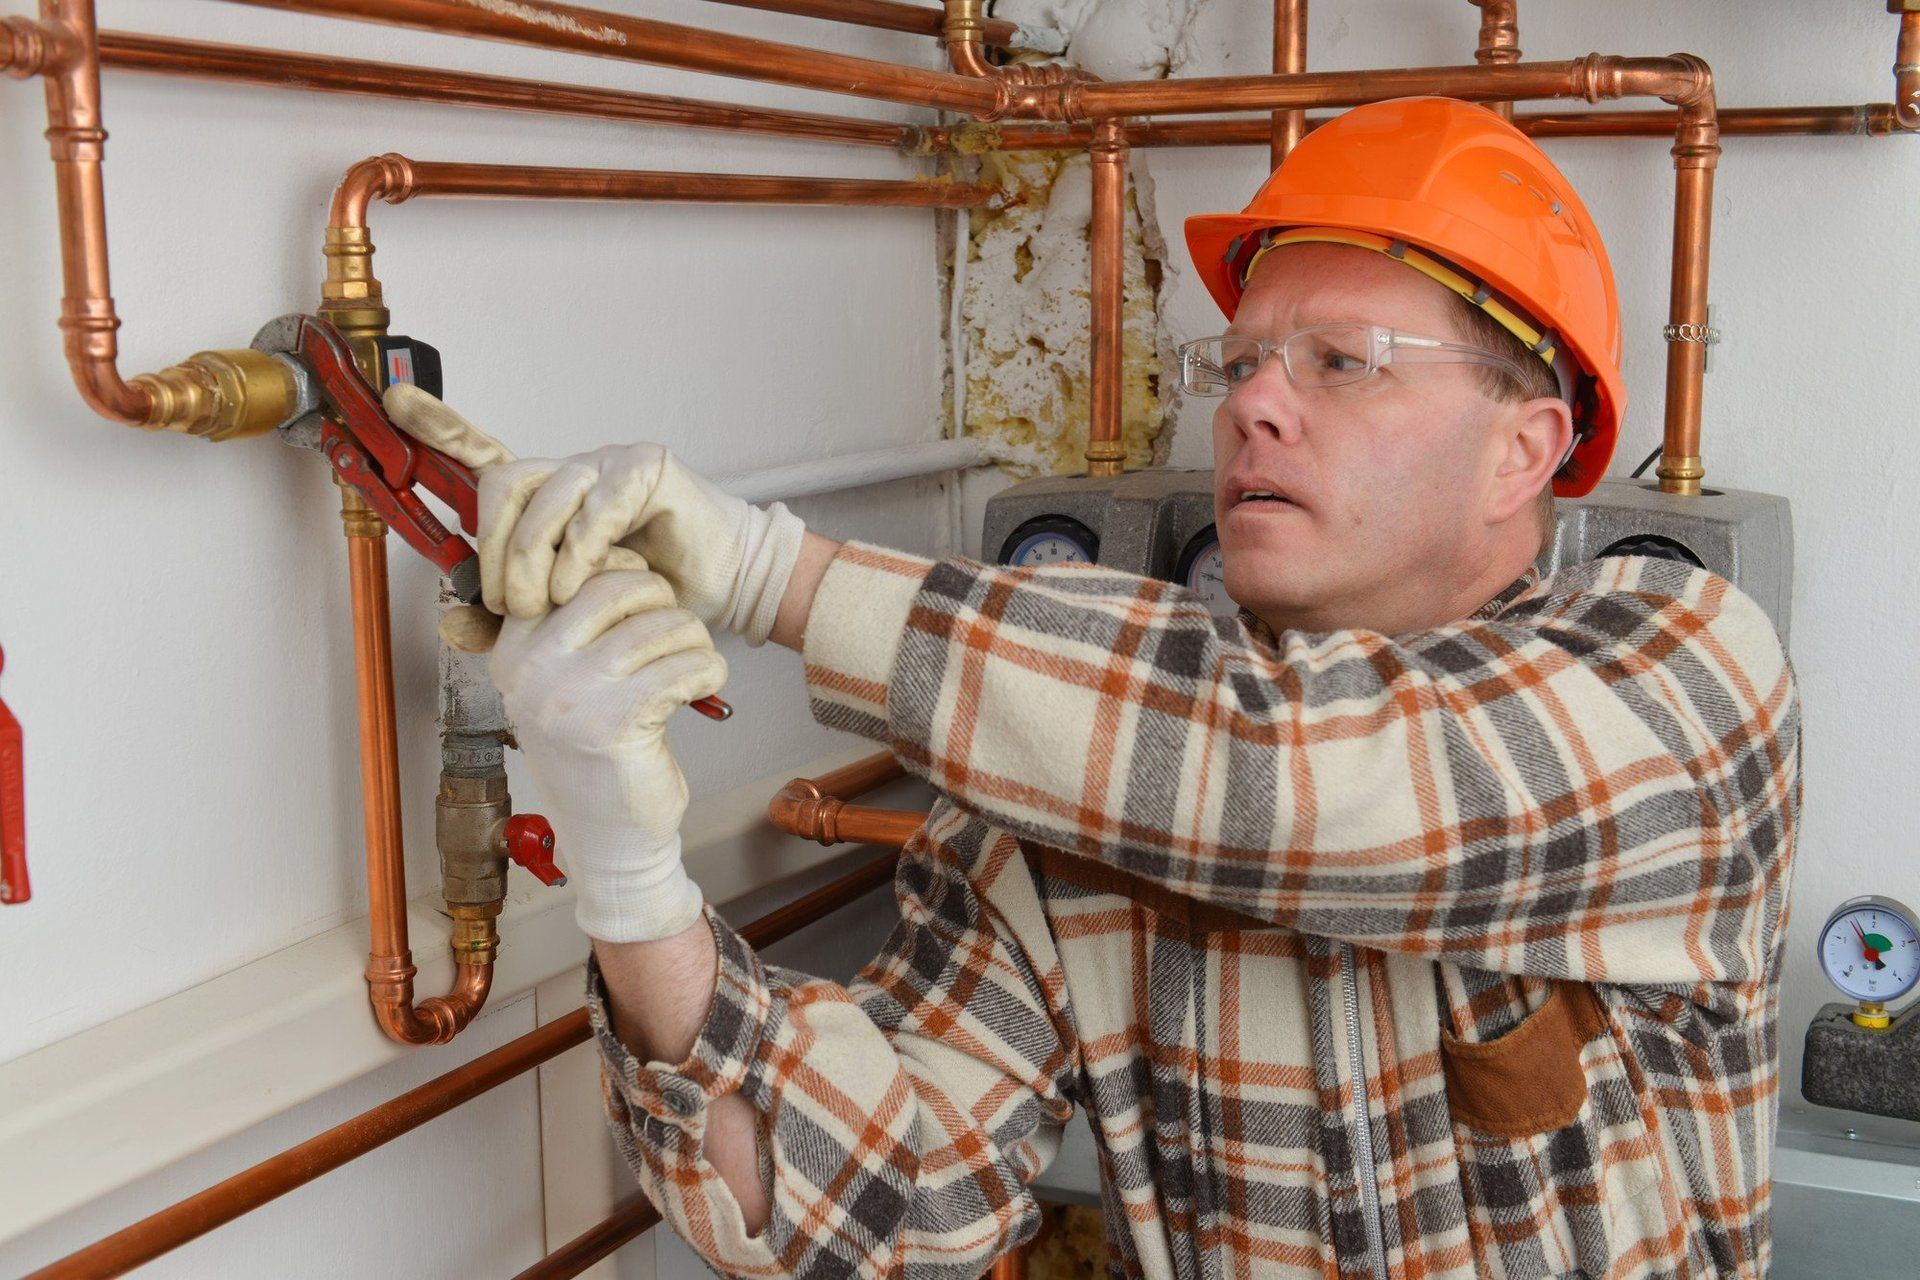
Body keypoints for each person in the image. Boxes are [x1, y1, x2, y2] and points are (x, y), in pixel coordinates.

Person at [389, 97, 1800, 1279]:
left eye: (1340, 363)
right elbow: (890, 1208)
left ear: (1525, 450)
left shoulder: (1683, 666)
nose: (1253, 400)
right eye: (1241, 359)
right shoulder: (1065, 785)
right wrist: (630, 880)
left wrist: (775, 576)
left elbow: (1314, 790)